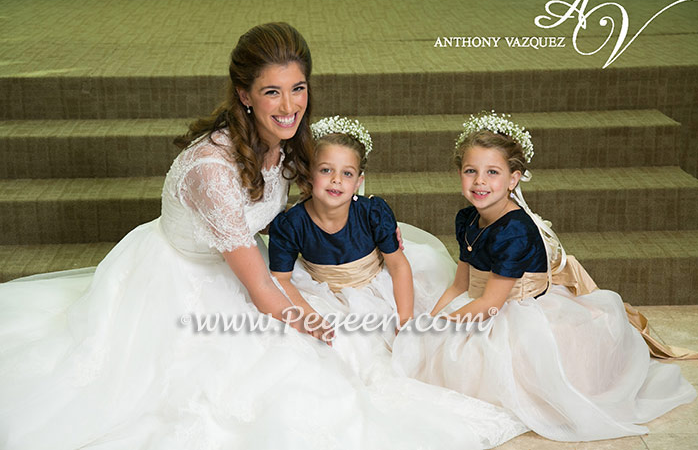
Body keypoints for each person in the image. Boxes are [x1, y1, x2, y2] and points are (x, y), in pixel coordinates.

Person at [0, 26, 526, 449]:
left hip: (247, 262)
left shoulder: (285, 140)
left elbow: (316, 203)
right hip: (178, 279)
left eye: (297, 88)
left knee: (346, 342)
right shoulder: (213, 170)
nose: (289, 104)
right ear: (244, 95)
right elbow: (259, 292)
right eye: (272, 91)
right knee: (291, 371)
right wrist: (316, 325)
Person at [391, 111, 697, 442]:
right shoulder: (466, 217)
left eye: (492, 172)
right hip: (480, 301)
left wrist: (438, 327)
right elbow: (460, 284)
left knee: (488, 369)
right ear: (459, 174)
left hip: (515, 310)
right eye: (470, 171)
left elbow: (492, 303)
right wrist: (432, 321)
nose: (480, 181)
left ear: (513, 179)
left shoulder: (516, 230)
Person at [268, 116, 453, 379]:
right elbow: (281, 280)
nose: (336, 180)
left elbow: (398, 265)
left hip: (378, 283)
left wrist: (405, 316)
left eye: (347, 173)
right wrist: (309, 315)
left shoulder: (372, 213)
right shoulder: (291, 224)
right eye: (325, 170)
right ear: (310, 174)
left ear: (358, 181)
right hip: (323, 290)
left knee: (413, 341)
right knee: (335, 349)